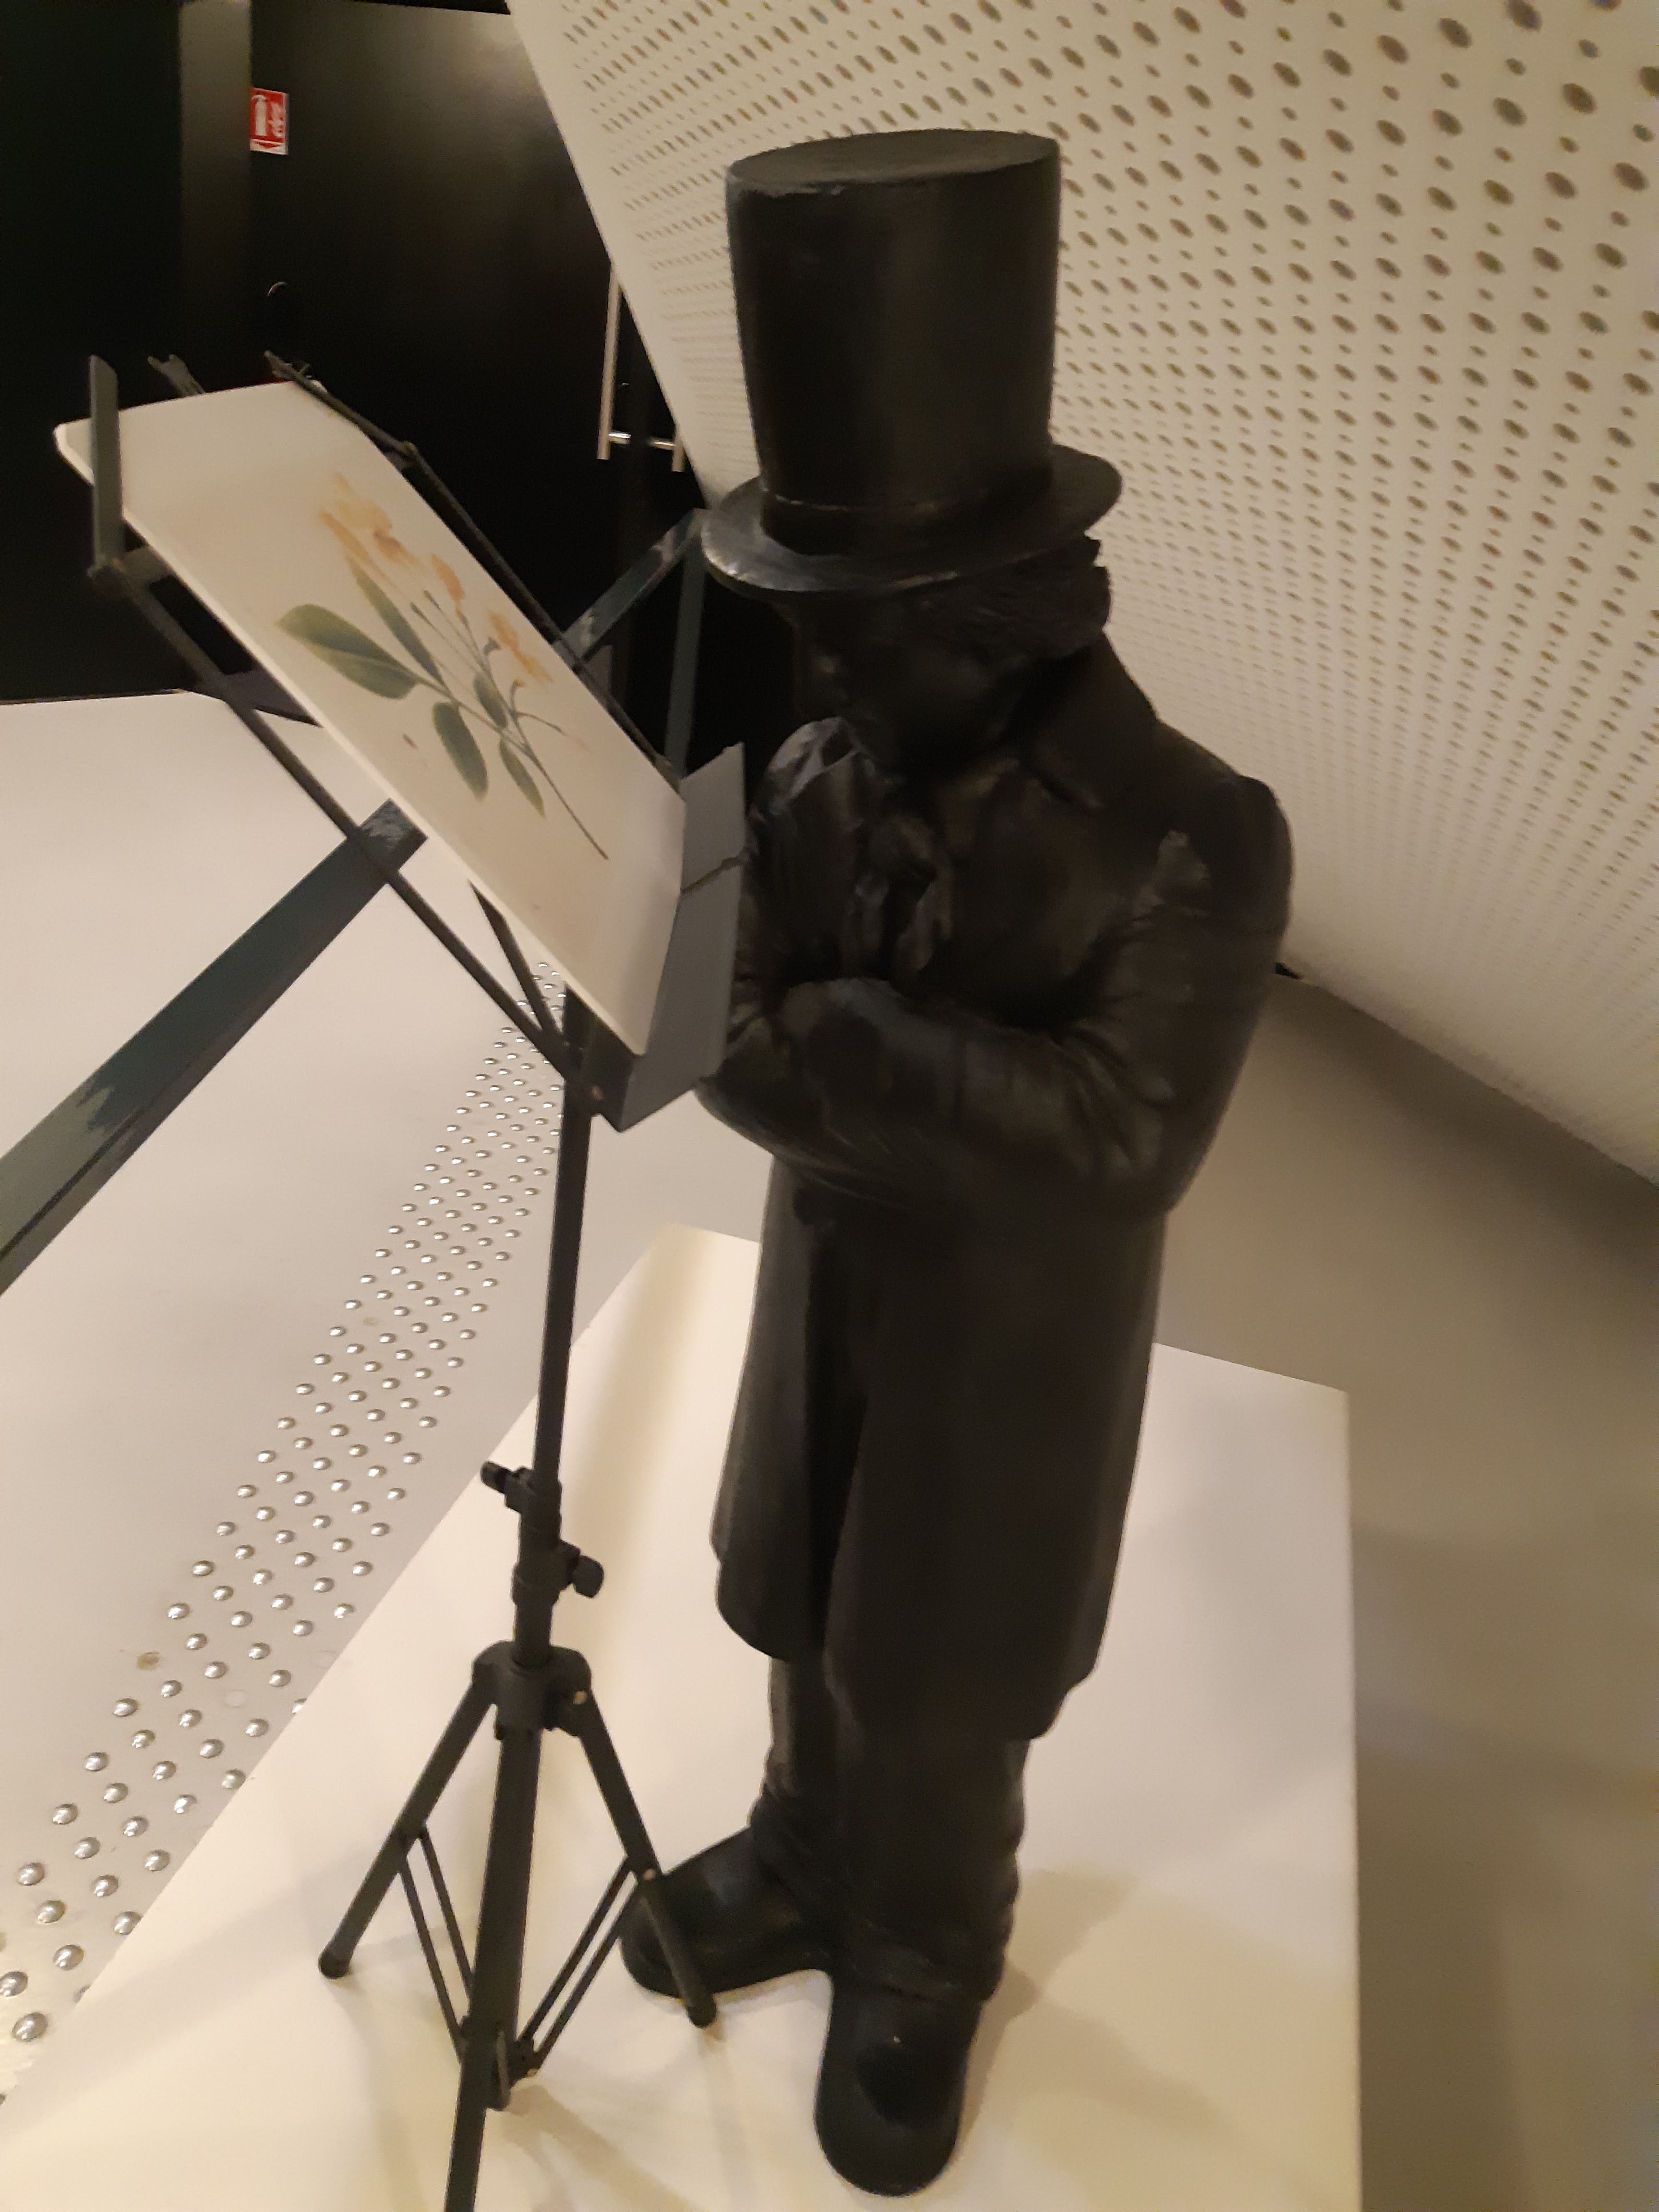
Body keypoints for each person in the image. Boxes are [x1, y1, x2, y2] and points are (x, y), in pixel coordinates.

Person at [618, 130, 1292, 2196]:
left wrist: (832, 1040)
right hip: (833, 1291)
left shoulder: (1194, 836)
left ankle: (928, 1940)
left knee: (938, 1671)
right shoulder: (824, 772)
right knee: (800, 1602)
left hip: (1008, 1365)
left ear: (993, 623)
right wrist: (805, 1047)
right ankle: (808, 1849)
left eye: (857, 633)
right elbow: (708, 1031)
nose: (819, 675)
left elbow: (1116, 1144)